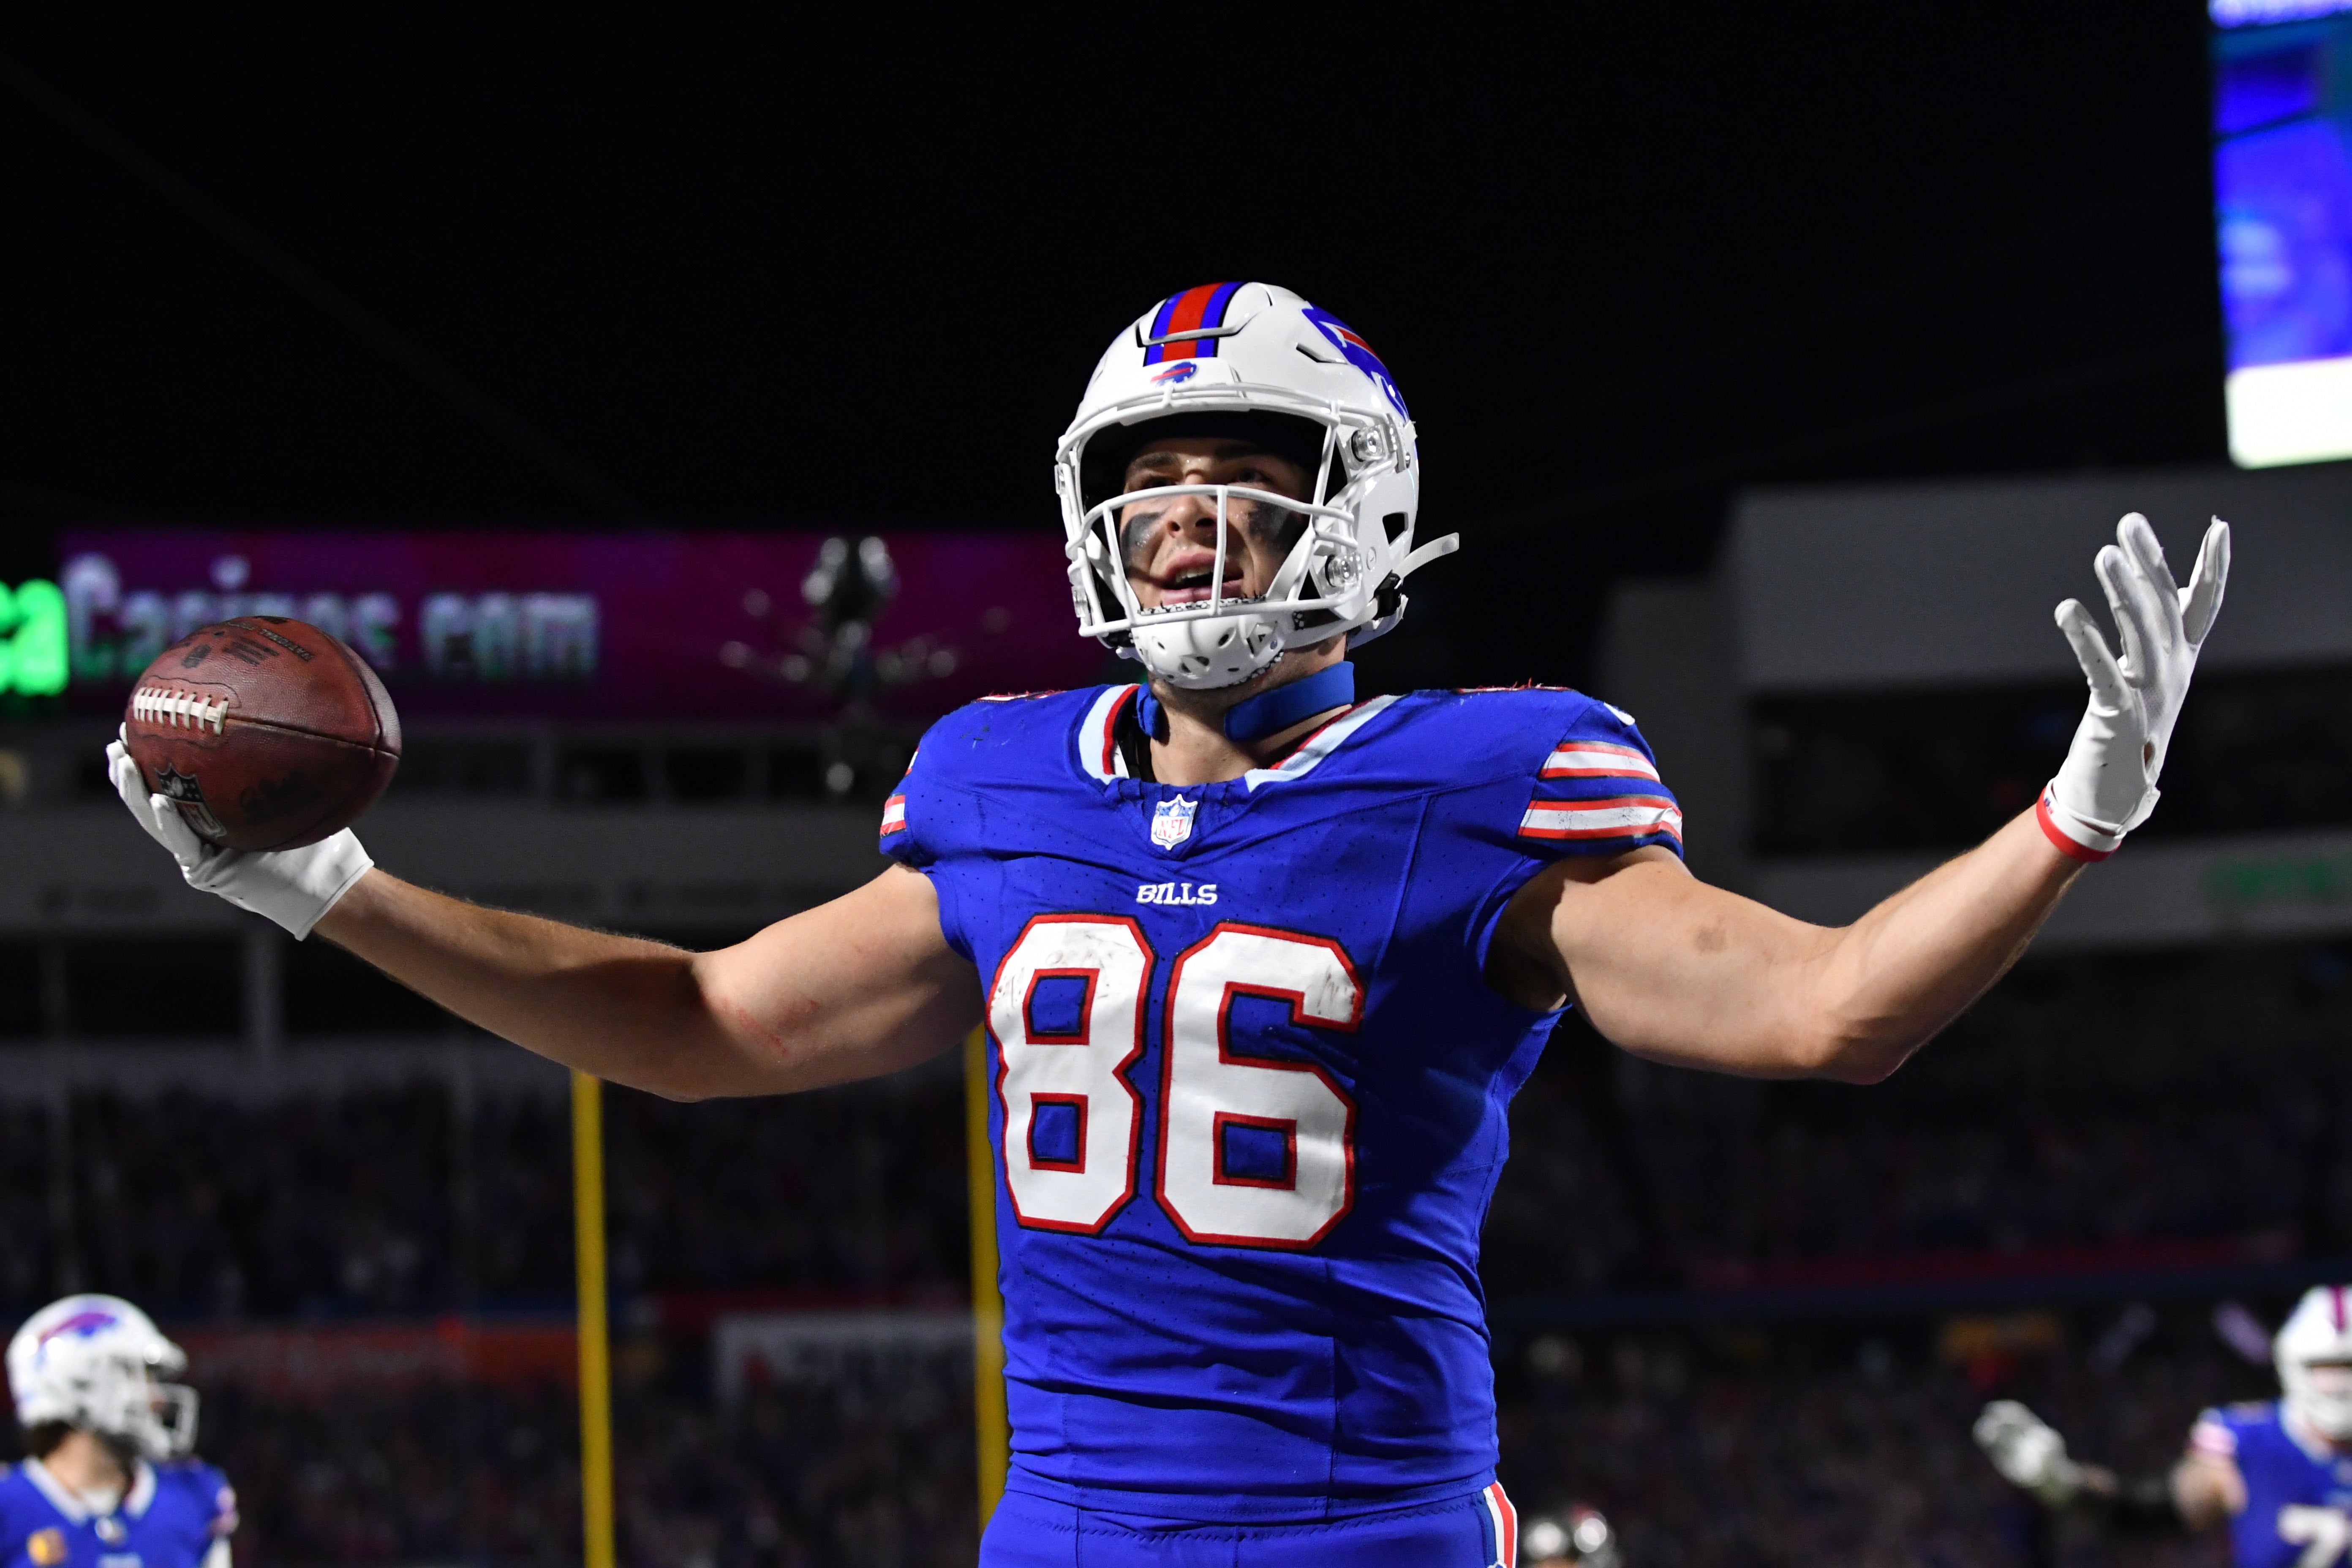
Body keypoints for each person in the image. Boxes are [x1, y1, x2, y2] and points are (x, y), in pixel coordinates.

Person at [108, 281, 2230, 1567]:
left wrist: (2068, 815)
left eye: (1252, 477)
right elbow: (698, 1020)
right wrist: (339, 892)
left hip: (1365, 1526)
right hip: (1068, 1533)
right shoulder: (1000, 777)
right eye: (1157, 484)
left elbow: (1826, 1014)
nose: (1194, 525)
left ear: (1368, 507)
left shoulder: (1486, 772)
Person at [1977, 1286, 2352, 1567]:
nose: (2339, 1385)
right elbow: (2152, 1509)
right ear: (2294, 1365)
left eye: (2349, 1368)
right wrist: (2069, 1485)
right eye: (2327, 1368)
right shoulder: (2248, 1441)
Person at [0, 1295, 237, 1568]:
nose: (157, 1399)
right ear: (81, 1383)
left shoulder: (191, 1497)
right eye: (140, 1377)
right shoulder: (9, 1505)